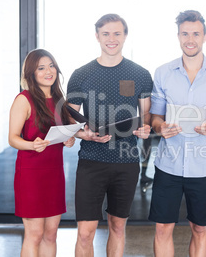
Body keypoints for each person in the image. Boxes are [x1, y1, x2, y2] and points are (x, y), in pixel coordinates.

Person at [148, 10, 206, 257]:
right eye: (185, 33)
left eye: (196, 33)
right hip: (169, 164)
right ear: (178, 36)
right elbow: (155, 117)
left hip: (204, 165)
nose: (190, 39)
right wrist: (160, 127)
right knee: (163, 228)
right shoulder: (163, 72)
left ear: (205, 36)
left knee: (199, 227)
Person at [66, 13, 153, 257]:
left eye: (117, 33)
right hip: (91, 162)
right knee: (85, 232)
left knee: (117, 227)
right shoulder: (81, 74)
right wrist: (86, 134)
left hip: (126, 162)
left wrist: (145, 129)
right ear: (97, 36)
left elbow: (146, 117)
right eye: (106, 34)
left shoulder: (140, 74)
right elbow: (69, 120)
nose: (111, 39)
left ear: (125, 36)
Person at [8, 49, 76, 256]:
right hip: (31, 174)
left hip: (54, 173)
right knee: (35, 234)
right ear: (31, 73)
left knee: (51, 234)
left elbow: (62, 132)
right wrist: (31, 145)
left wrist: (69, 138)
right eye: (41, 67)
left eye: (51, 66)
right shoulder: (24, 99)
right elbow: (12, 138)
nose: (49, 71)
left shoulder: (58, 100)